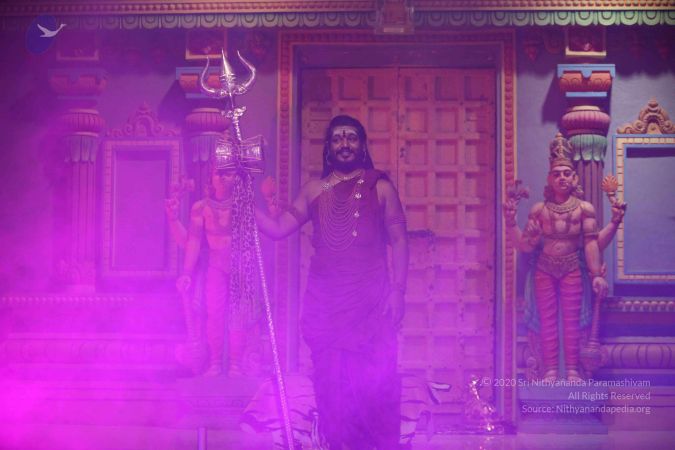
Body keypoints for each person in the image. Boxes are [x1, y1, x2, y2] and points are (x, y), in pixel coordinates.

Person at [256, 115, 409, 449]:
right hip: (327, 310)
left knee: (374, 388)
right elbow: (278, 228)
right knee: (332, 391)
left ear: (362, 145)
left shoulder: (381, 187)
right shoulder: (315, 190)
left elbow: (399, 240)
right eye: (338, 138)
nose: (344, 144)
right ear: (328, 147)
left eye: (351, 137)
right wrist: (242, 200)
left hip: (370, 307)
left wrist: (398, 291)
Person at [503, 133, 625, 382]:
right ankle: (549, 369)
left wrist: (596, 273)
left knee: (572, 321)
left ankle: (571, 369)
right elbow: (524, 246)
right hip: (544, 269)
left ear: (574, 178)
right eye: (556, 173)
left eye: (567, 173)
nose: (562, 178)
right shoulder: (539, 210)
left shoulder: (584, 209)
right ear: (549, 178)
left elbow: (591, 244)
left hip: (572, 268)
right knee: (547, 321)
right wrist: (511, 223)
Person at [166, 161, 247, 377]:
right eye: (218, 173)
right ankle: (214, 362)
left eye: (228, 173)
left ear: (236, 177)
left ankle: (236, 364)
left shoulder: (244, 206)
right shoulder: (201, 208)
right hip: (215, 265)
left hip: (239, 266)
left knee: (238, 315)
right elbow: (192, 242)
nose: (222, 178)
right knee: (214, 314)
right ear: (211, 176)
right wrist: (186, 273)